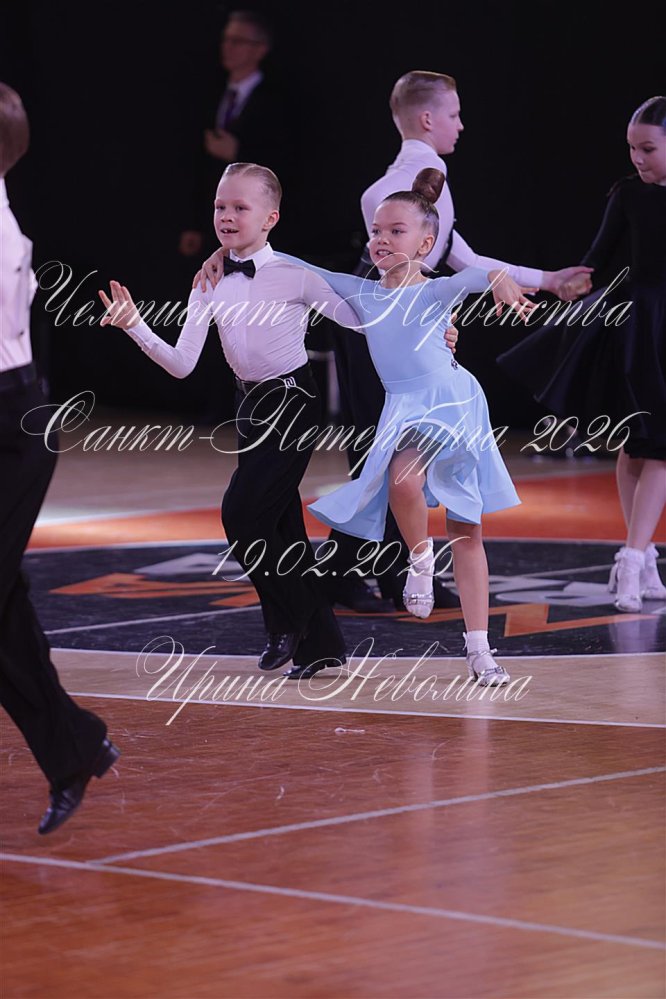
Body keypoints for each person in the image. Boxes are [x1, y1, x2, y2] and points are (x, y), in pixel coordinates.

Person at [199, 168, 536, 684]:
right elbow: (286, 263)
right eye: (376, 230)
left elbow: (473, 276)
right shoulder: (362, 292)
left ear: (426, 244)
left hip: (455, 405)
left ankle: (479, 650)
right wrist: (222, 254)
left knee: (467, 531)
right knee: (402, 482)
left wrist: (499, 278)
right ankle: (420, 561)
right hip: (406, 409)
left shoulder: (435, 292)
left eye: (396, 231)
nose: (381, 239)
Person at [324, 69, 593, 613]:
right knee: (383, 448)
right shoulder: (420, 176)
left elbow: (460, 257)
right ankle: (355, 573)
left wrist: (547, 279)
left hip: (395, 314)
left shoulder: (425, 180)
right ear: (428, 119)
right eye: (454, 114)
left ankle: (383, 572)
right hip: (382, 315)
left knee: (393, 449)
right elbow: (401, 223)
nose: (461, 125)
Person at [100, 163, 363, 680]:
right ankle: (321, 644)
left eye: (240, 207)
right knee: (281, 526)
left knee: (241, 516)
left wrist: (431, 329)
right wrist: (136, 326)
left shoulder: (295, 274)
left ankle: (291, 620)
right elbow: (182, 364)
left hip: (292, 404)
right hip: (250, 409)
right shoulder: (208, 281)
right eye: (220, 206)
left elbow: (361, 319)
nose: (226, 215)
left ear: (271, 218)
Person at [0, 82, 120, 835]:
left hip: (12, 428)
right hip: (12, 415)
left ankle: (75, 744)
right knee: (4, 606)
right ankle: (74, 746)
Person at [498, 96, 666, 613]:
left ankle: (638, 557)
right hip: (640, 329)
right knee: (641, 443)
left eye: (648, 148)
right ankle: (635, 556)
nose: (637, 158)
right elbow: (597, 258)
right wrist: (565, 282)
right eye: (632, 148)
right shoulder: (628, 195)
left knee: (658, 444)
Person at [179, 10, 286, 259]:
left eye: (237, 41)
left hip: (253, 227)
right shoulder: (211, 92)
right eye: (226, 40)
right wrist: (194, 223)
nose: (227, 47)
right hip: (212, 223)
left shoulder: (276, 102)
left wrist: (238, 152)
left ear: (260, 49)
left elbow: (286, 160)